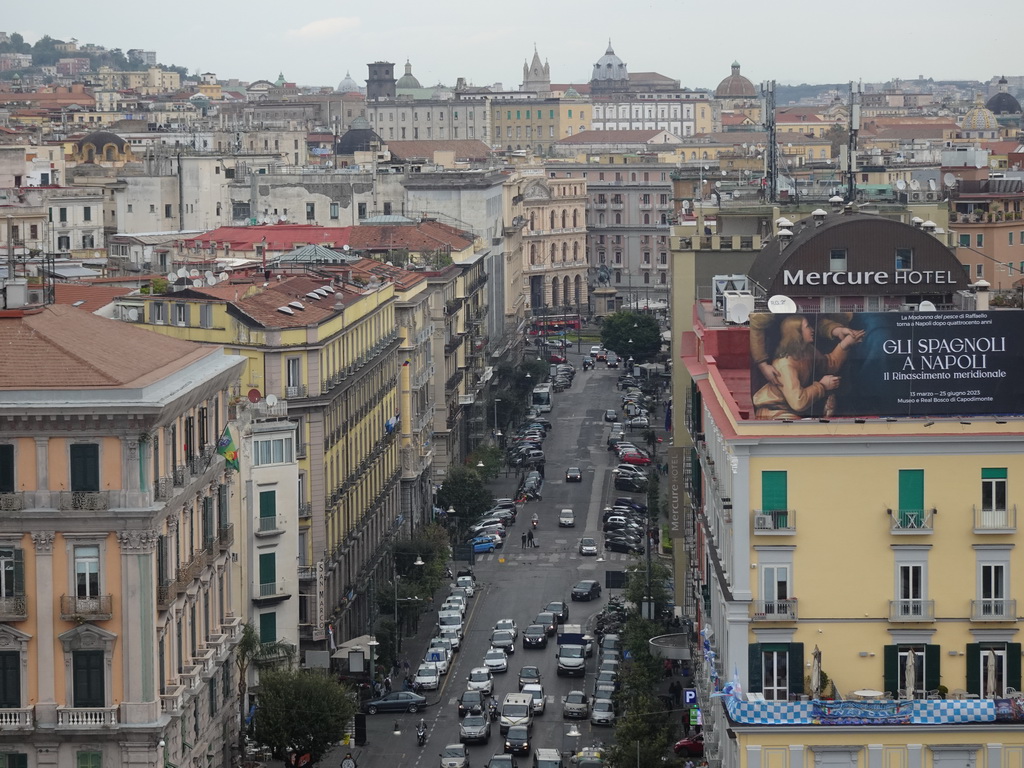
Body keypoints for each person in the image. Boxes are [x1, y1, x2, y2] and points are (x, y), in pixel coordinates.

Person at [752, 314, 863, 420]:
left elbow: (829, 365)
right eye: (807, 327)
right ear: (797, 333)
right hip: (775, 413)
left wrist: (844, 345)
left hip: (790, 411)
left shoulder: (807, 351)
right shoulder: (785, 365)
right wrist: (822, 386)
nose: (812, 330)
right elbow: (798, 402)